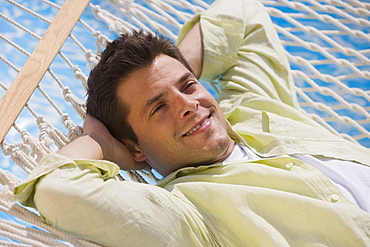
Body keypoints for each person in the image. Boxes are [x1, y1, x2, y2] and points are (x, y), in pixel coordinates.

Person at [14, 0, 370, 246]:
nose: (189, 105)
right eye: (159, 108)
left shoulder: (256, 107)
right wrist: (101, 145)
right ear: (134, 146)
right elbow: (58, 192)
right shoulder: (187, 214)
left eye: (188, 86)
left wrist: (176, 66)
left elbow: (242, 12)